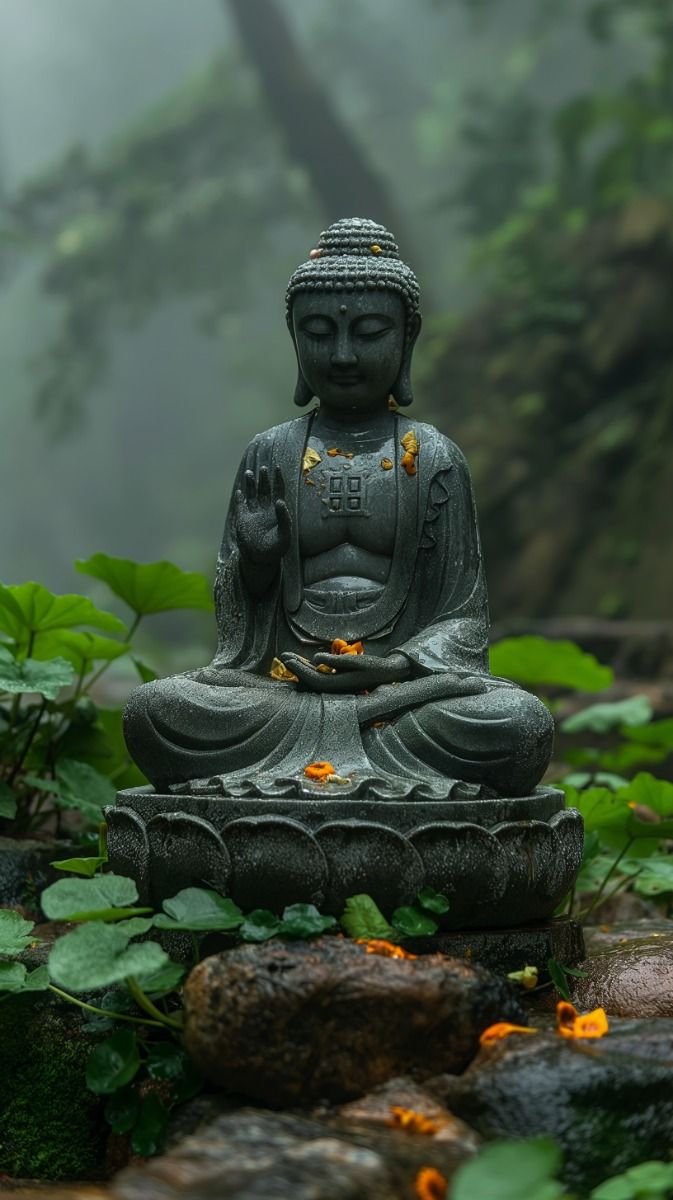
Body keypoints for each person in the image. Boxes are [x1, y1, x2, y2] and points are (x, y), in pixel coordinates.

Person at [123, 218, 553, 800]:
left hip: (399, 701)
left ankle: (311, 771)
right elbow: (238, 631)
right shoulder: (270, 453)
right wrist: (255, 563)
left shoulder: (435, 459)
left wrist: (396, 669)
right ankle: (365, 774)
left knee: (518, 724)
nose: (344, 354)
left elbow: (462, 617)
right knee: (156, 710)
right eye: (320, 332)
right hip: (283, 693)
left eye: (370, 331)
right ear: (294, 337)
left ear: (408, 336)